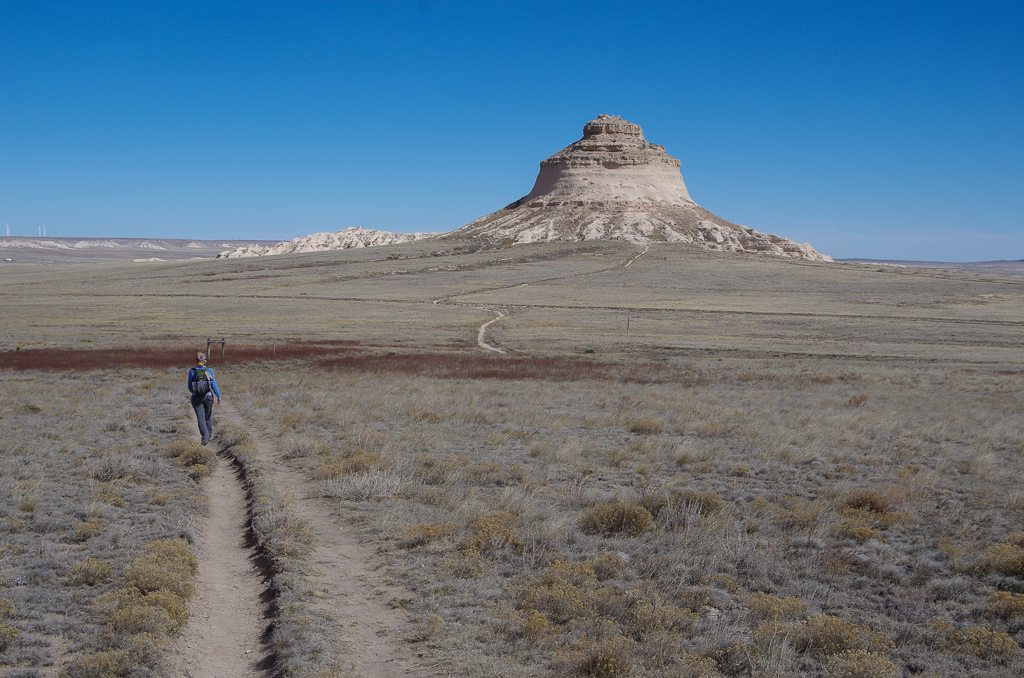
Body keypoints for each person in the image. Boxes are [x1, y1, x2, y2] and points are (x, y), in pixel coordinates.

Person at [187, 351, 221, 445]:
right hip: (208, 397)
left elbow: (190, 387)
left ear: (196, 359)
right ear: (204, 359)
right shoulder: (209, 370)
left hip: (196, 398)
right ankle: (208, 436)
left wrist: (196, 391)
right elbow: (214, 385)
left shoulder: (192, 371)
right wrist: (218, 396)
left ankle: (205, 438)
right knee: (208, 418)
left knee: (200, 418)